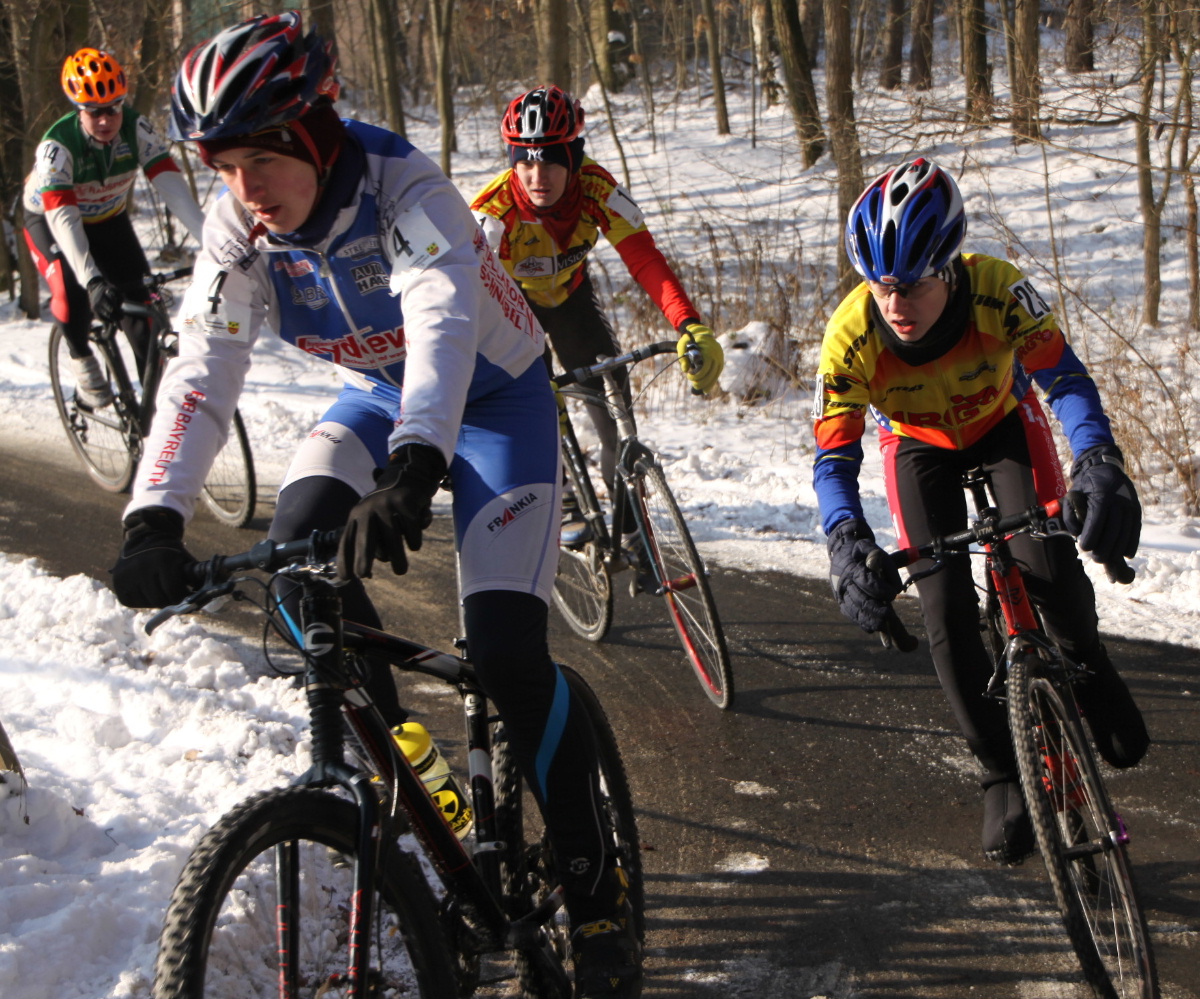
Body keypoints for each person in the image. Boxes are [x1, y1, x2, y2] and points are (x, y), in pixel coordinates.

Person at [106, 12, 640, 997]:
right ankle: (409, 781)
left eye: (259, 160)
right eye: (223, 167)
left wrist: (414, 466)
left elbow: (441, 322)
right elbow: (202, 367)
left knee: (508, 654)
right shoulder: (239, 229)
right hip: (376, 398)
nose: (243, 189)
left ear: (313, 134)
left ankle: (594, 885)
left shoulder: (406, 189)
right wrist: (154, 516)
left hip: (494, 403)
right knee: (297, 573)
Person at [811, 158, 1149, 865]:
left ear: (949, 268)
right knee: (944, 612)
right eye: (879, 284)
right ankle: (1000, 768)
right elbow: (833, 460)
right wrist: (845, 539)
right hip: (918, 446)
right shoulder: (849, 337)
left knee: (1049, 566)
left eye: (912, 284)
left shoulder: (997, 288)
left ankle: (1089, 664)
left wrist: (1098, 459)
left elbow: (1066, 380)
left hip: (1003, 424)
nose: (894, 302)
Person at [470, 85, 723, 549]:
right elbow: (464, 294)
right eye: (525, 162)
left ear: (573, 158)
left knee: (614, 410)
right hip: (512, 310)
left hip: (572, 300)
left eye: (551, 162)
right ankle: (563, 496)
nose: (537, 177)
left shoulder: (596, 188)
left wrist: (688, 324)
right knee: (537, 409)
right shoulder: (492, 212)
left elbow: (644, 258)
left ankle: (631, 528)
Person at [23, 47, 205, 409]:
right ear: (79, 110)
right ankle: (81, 358)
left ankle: (155, 414)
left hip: (108, 220)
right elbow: (64, 220)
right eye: (95, 112)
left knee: (142, 316)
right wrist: (91, 280)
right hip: (51, 222)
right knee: (72, 293)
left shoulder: (137, 128)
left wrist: (211, 242)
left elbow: (173, 188)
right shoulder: (57, 147)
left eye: (113, 109)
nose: (106, 120)